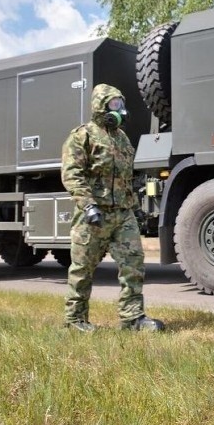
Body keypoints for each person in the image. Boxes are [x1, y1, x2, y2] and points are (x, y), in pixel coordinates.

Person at [61, 83, 164, 333]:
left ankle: (132, 319)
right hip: (93, 214)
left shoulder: (122, 137)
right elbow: (72, 175)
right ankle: (75, 320)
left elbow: (126, 177)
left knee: (134, 264)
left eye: (120, 104)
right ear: (100, 106)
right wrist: (88, 206)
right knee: (82, 268)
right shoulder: (82, 136)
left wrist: (134, 207)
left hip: (122, 213)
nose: (119, 109)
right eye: (113, 104)